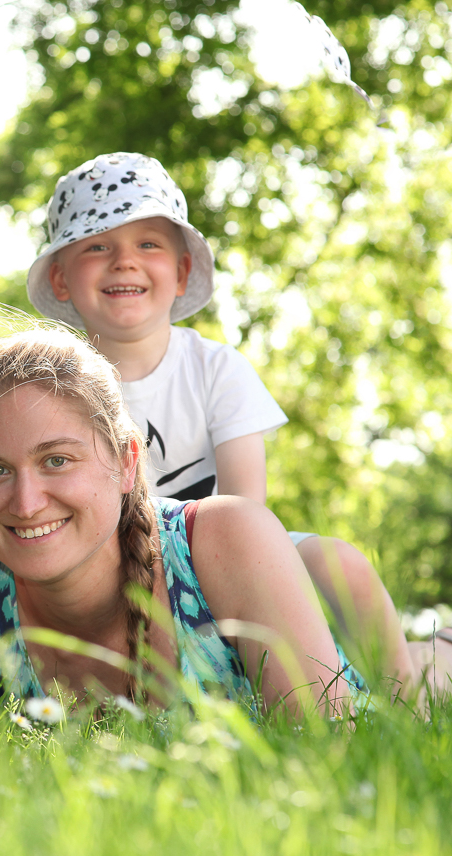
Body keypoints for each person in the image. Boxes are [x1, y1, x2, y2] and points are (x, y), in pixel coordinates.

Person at [0, 327, 437, 716]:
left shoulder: (227, 537)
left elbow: (326, 749)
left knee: (420, 686)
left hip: (349, 658)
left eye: (57, 460)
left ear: (125, 463)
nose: (26, 501)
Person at [23, 151, 426, 693]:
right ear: (61, 278)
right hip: (101, 566)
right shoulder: (52, 389)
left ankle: (407, 685)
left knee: (339, 562)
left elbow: (246, 508)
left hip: (222, 556)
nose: (124, 262)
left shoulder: (217, 369)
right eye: (97, 246)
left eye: (148, 244)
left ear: (181, 271)